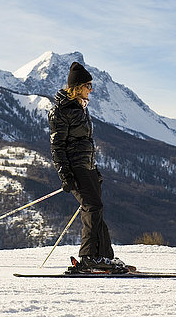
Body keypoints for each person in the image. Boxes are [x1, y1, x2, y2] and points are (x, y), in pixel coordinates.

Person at [48, 62, 126, 271]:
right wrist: (65, 174)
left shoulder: (80, 109)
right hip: (75, 168)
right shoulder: (61, 111)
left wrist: (95, 170)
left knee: (97, 209)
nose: (91, 89)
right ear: (77, 87)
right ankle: (88, 257)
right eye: (88, 85)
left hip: (87, 167)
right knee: (92, 208)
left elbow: (86, 143)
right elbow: (57, 146)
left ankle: (104, 256)